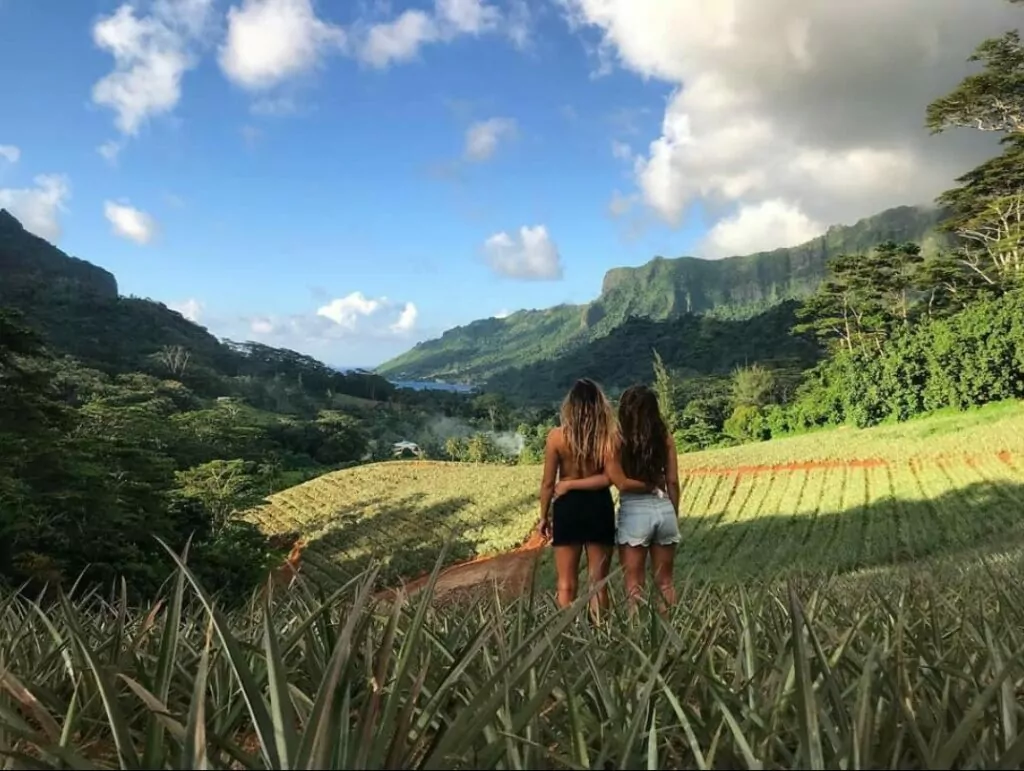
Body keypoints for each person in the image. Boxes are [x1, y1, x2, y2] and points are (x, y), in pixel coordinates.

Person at [556, 384, 680, 610]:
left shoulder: (616, 440)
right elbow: (672, 481)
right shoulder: (665, 437)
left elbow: (619, 481)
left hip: (635, 514)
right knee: (665, 582)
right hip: (664, 510)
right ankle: (670, 636)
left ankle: (638, 636)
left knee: (634, 584)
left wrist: (647, 486)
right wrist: (673, 510)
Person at [538, 378, 623, 618]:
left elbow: (547, 483)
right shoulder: (609, 436)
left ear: (570, 405)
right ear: (600, 404)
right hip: (599, 506)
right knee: (599, 583)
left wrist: (543, 517)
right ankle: (600, 636)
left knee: (566, 583)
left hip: (567, 509)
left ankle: (565, 638)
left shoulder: (556, 437)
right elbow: (609, 478)